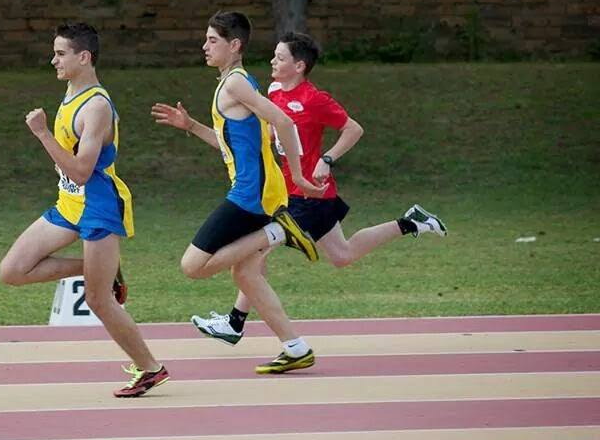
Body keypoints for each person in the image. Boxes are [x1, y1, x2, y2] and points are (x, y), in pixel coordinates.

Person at [178, 32, 448, 351]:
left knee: (255, 257)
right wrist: (194, 127)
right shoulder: (273, 95)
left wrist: (327, 158)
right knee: (340, 255)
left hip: (310, 194)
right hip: (283, 190)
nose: (272, 62)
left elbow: (353, 129)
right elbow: (243, 146)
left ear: (299, 65)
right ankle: (409, 222)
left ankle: (237, 322)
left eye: (280, 58)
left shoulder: (314, 99)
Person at [150, 11, 327, 375]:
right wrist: (191, 125)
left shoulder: (235, 85)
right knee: (247, 276)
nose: (205, 46)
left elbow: (284, 120)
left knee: (192, 267)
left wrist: (299, 175)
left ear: (235, 45)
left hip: (252, 197)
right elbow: (231, 145)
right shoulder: (233, 84)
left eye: (212, 40)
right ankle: (296, 348)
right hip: (258, 192)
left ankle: (280, 231)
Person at [0, 22, 167, 398]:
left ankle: (151, 369)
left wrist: (42, 133)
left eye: (60, 53)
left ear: (83, 57)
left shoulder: (96, 106)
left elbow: (81, 169)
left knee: (97, 300)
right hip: (69, 203)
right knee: (12, 271)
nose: (53, 60)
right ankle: (103, 271)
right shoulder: (71, 92)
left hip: (98, 206)